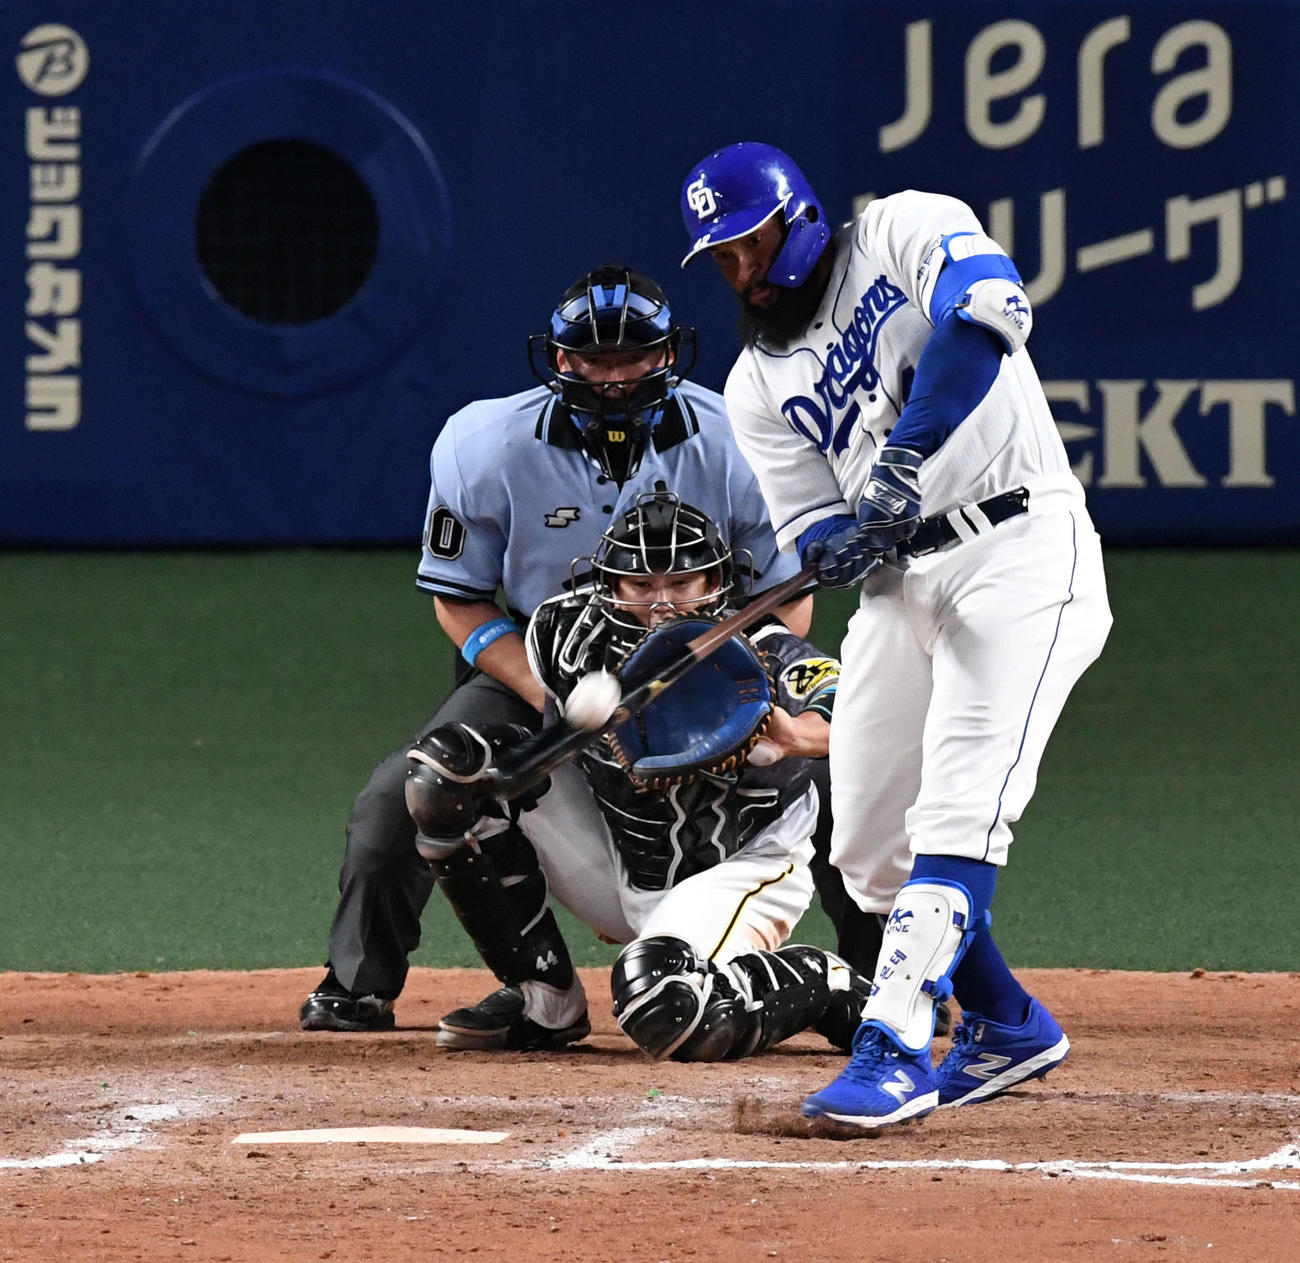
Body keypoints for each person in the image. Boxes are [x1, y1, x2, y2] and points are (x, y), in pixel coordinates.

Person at [298, 263, 874, 1042]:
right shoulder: (482, 442)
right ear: (559, 360)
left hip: (708, 654)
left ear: (671, 354)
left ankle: (883, 977)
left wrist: (720, 673)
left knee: (830, 766)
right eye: (593, 360)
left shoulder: (740, 433)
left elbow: (784, 596)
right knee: (422, 782)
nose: (613, 376)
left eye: (633, 357)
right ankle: (403, 986)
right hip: (542, 654)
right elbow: (459, 597)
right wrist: (552, 697)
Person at [677, 143, 1112, 1128]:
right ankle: (1008, 1025)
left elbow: (993, 314)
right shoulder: (755, 384)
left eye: (750, 244)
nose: (740, 271)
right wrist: (838, 545)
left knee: (958, 820)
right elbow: (820, 526)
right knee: (866, 851)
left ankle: (896, 1047)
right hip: (899, 589)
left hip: (1021, 551)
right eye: (722, 258)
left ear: (799, 218)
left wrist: (902, 460)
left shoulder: (902, 227)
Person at [405, 490, 872, 1060]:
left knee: (666, 1007)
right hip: (619, 854)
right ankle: (543, 999)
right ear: (610, 585)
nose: (663, 603)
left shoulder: (763, 650)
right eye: (642, 586)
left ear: (716, 581)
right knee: (448, 775)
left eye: (683, 583)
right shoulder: (565, 635)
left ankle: (826, 982)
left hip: (741, 867)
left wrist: (798, 735)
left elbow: (849, 709)